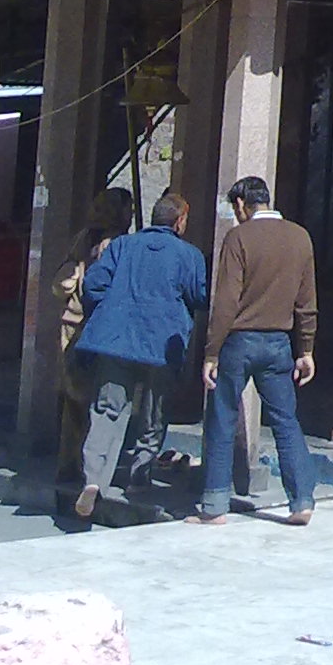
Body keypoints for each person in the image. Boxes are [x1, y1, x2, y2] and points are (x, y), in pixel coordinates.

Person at [73, 191, 208, 521]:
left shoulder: (122, 246)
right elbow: (200, 296)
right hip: (162, 344)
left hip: (116, 339)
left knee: (107, 409)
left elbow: (93, 285)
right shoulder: (189, 255)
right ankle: (138, 476)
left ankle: (94, 479)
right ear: (179, 222)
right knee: (154, 413)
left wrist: (114, 309)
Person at [195, 176, 318, 527]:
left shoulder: (238, 238)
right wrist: (306, 348)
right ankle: (302, 501)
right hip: (279, 343)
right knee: (286, 421)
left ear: (240, 205)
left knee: (222, 418)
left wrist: (211, 351)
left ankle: (215, 505)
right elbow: (306, 301)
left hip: (238, 342)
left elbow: (226, 301)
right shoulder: (300, 237)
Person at [52, 189, 134, 516]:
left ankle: (67, 465)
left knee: (73, 399)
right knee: (101, 402)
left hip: (70, 324)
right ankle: (92, 472)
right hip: (96, 328)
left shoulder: (82, 238)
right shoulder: (117, 245)